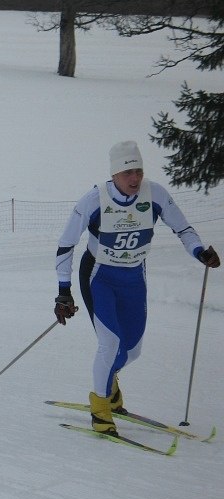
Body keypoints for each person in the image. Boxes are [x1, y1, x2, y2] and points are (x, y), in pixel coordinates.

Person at [54, 140, 220, 436]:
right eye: (127, 172)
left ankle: (110, 385)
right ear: (114, 174)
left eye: (139, 171)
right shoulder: (94, 200)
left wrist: (199, 251)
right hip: (99, 277)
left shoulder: (155, 194)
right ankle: (100, 409)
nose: (135, 178)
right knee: (109, 344)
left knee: (131, 351)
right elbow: (66, 245)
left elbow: (183, 229)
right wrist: (63, 291)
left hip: (134, 278)